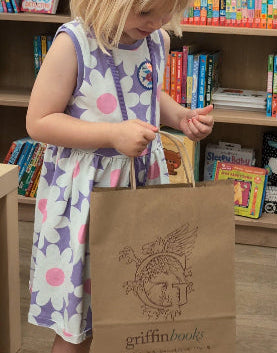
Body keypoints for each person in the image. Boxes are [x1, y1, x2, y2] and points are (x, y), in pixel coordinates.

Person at [26, 0, 214, 351]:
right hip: (86, 199)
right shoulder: (74, 44)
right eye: (145, 13)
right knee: (78, 316)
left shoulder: (156, 40)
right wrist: (112, 135)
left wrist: (180, 116)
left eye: (167, 12)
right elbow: (39, 121)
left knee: (136, 304)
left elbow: (149, 92)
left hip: (139, 189)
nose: (157, 22)